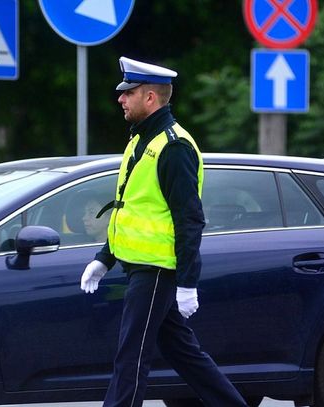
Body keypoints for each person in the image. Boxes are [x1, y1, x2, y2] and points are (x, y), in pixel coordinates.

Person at [80, 56, 248, 407]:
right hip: (141, 266)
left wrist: (187, 282)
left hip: (157, 270)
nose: (120, 99)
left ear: (150, 97)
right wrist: (105, 258)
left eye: (128, 93)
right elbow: (130, 209)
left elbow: (190, 219)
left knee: (131, 356)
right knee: (183, 353)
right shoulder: (141, 141)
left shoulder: (173, 147)